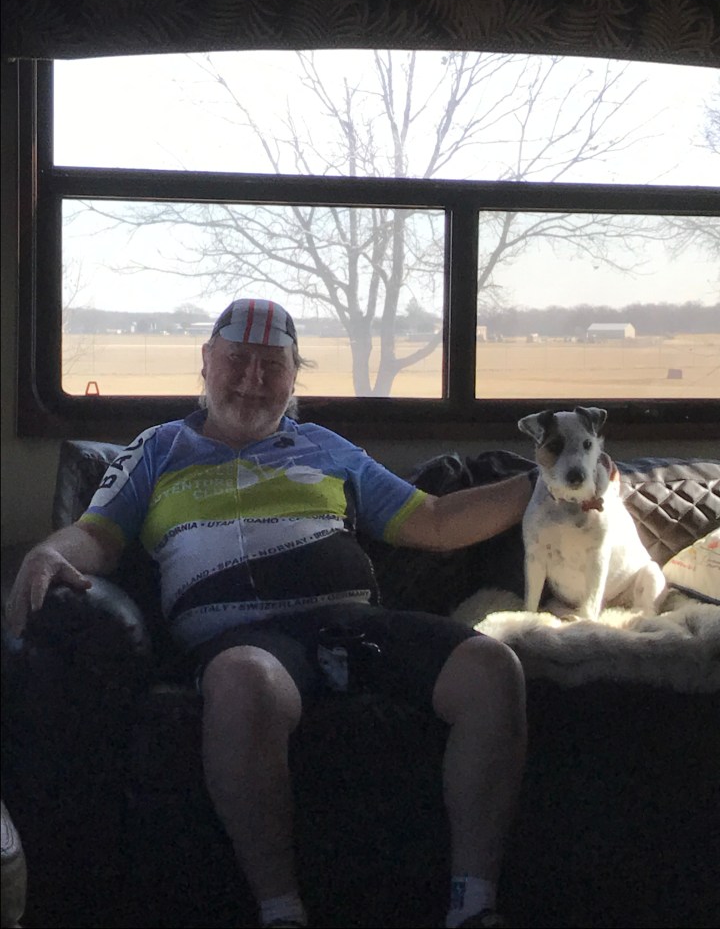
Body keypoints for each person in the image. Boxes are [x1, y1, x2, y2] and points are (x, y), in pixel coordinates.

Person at [7, 298, 533, 929]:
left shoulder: (329, 448)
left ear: (293, 377)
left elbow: (436, 521)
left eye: (272, 365)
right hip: (244, 641)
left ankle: (473, 905)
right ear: (206, 361)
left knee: (492, 667)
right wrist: (47, 552)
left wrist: (546, 485)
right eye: (238, 360)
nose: (253, 379)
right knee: (244, 681)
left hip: (356, 625)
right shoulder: (158, 448)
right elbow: (98, 535)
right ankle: (282, 913)